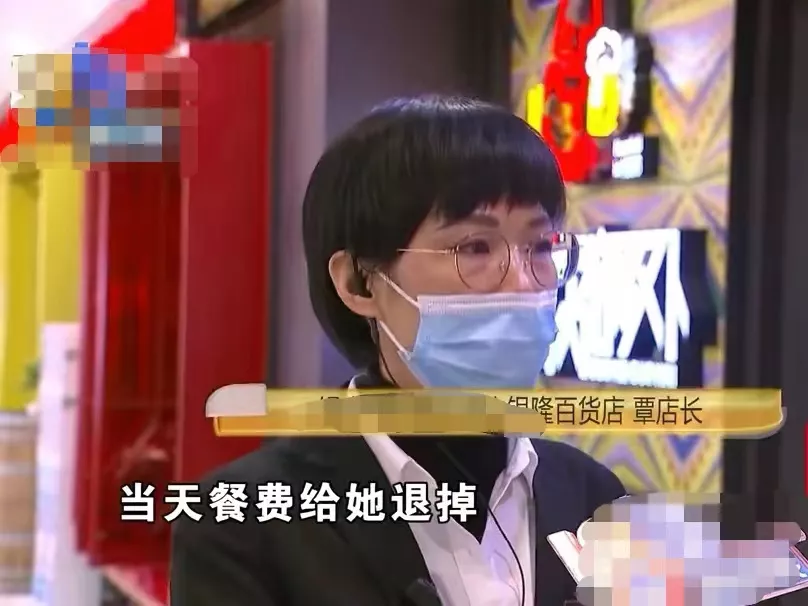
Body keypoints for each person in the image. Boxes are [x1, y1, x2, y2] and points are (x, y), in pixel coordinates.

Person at [170, 95, 626, 606]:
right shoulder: (244, 527)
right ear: (359, 282)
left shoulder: (594, 497)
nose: (522, 283)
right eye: (475, 248)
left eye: (539, 247)